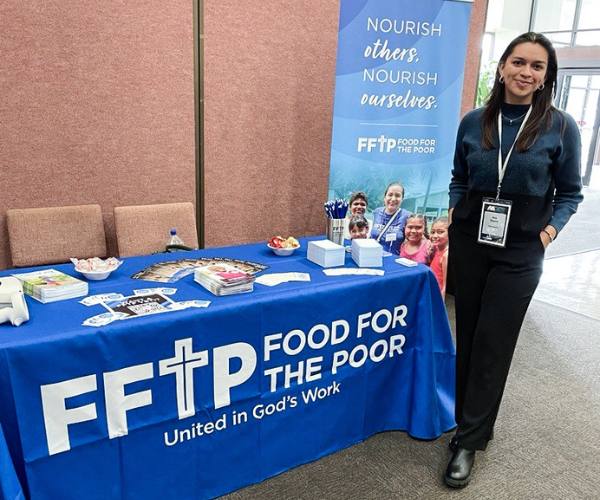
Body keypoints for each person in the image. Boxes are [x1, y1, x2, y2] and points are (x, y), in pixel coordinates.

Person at [445, 32, 583, 488]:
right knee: (467, 331)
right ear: (502, 66)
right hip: (472, 239)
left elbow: (570, 193)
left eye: (537, 66)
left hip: (522, 248)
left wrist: (547, 232)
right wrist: (455, 209)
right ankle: (467, 419)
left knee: (494, 340)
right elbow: (458, 176)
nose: (526, 72)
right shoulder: (473, 121)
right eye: (519, 62)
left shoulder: (561, 127)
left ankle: (470, 441)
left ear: (546, 77)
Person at [370, 182, 411, 255]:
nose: (393, 198)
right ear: (385, 197)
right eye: (390, 195)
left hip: (394, 260)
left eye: (397, 195)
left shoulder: (407, 216)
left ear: (402, 199)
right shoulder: (377, 212)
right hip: (373, 256)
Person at [429, 217, 449, 296]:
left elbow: (445, 286)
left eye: (440, 232)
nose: (435, 235)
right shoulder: (436, 249)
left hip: (438, 296)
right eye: (433, 232)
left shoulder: (446, 255)